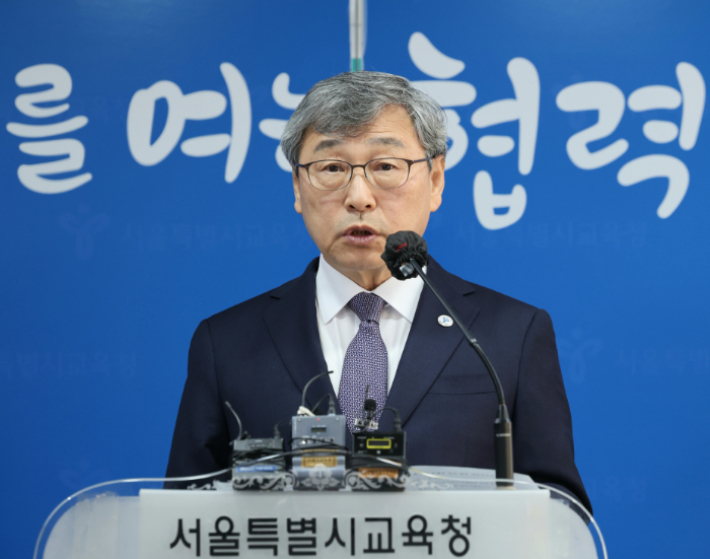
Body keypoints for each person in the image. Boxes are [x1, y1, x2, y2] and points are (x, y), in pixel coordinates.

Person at [166, 71, 591, 512]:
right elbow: (179, 517)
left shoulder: (509, 336)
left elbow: (561, 509)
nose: (359, 197)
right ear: (297, 186)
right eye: (332, 168)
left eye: (385, 166)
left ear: (436, 180)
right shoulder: (227, 343)